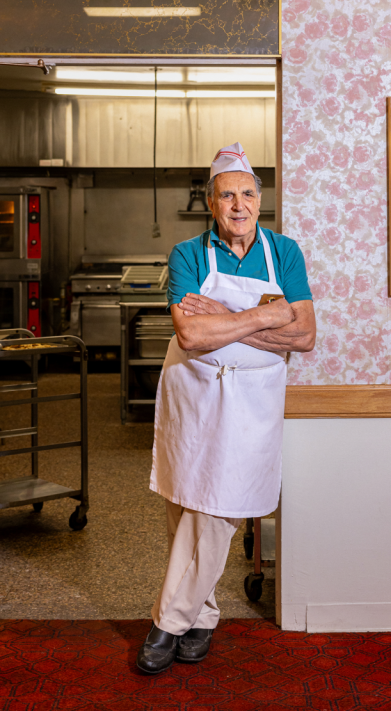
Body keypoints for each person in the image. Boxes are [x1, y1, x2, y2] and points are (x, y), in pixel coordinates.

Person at [136, 142, 316, 674]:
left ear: (260, 199)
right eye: (226, 195)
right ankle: (202, 616)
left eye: (247, 194)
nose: (238, 205)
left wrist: (228, 316)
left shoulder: (285, 253)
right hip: (192, 393)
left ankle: (168, 620)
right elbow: (191, 335)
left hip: (254, 403)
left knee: (218, 508)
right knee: (188, 503)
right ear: (211, 204)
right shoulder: (188, 255)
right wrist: (266, 318)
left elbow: (304, 336)